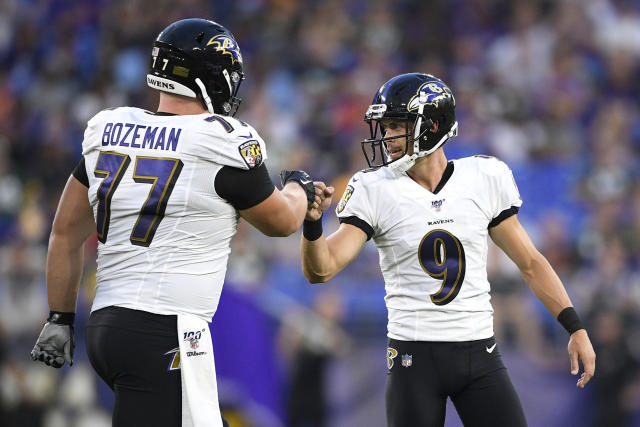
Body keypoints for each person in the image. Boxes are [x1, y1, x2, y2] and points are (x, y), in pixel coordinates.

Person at [30, 18, 324, 427]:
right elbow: (282, 222)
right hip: (165, 331)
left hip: (107, 324)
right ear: (211, 79)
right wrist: (299, 189)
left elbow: (65, 232)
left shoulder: (110, 130)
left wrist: (60, 316)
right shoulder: (220, 140)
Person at [300, 72, 596, 427]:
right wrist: (313, 224)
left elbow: (530, 262)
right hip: (413, 357)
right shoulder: (373, 188)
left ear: (433, 125)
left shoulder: (483, 178)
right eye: (386, 126)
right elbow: (322, 269)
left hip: (479, 353)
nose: (388, 137)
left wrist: (575, 328)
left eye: (398, 125)